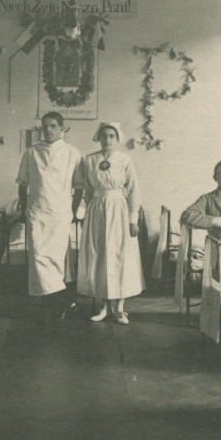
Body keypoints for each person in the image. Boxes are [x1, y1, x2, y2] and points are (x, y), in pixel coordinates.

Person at [17, 111, 83, 327]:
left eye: (53, 126)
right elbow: (23, 184)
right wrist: (24, 210)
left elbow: (79, 186)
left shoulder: (73, 153)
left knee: (54, 262)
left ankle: (56, 308)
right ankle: (65, 299)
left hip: (60, 214)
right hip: (37, 212)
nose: (48, 129)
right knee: (37, 258)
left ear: (62, 128)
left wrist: (71, 212)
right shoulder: (31, 152)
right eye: (45, 126)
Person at [77, 122, 145, 324]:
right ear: (98, 138)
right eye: (104, 136)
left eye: (111, 136)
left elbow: (133, 190)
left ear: (117, 139)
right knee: (100, 256)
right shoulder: (89, 160)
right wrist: (87, 215)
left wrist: (133, 219)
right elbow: (87, 191)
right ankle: (103, 306)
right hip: (97, 211)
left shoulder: (125, 160)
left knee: (119, 255)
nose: (107, 140)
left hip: (119, 211)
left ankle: (120, 308)